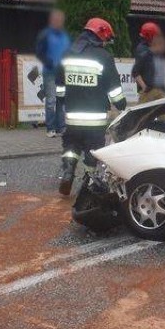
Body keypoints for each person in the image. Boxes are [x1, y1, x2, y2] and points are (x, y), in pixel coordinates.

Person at [56, 17, 127, 196]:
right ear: (100, 35)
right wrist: (122, 106)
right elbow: (114, 90)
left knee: (71, 146)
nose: (105, 43)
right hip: (95, 119)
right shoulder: (103, 57)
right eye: (105, 39)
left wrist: (65, 101)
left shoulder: (67, 54)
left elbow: (59, 87)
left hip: (72, 116)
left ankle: (68, 172)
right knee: (92, 151)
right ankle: (87, 183)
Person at [35, 9, 71, 137]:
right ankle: (50, 128)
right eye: (56, 19)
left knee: (61, 100)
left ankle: (61, 127)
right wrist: (48, 62)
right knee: (51, 100)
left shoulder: (65, 36)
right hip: (50, 72)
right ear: (52, 20)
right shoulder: (45, 35)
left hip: (62, 73)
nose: (58, 22)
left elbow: (68, 52)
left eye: (60, 20)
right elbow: (39, 52)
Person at [133, 21, 165, 104]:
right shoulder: (142, 50)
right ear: (149, 36)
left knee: (164, 114)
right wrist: (144, 87)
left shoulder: (151, 48)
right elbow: (135, 72)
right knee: (142, 115)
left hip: (159, 89)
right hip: (149, 91)